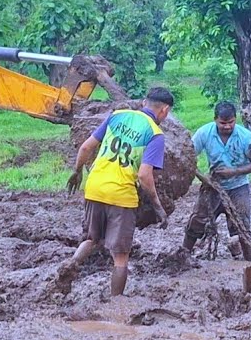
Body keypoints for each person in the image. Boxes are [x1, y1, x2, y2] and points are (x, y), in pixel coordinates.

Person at [56, 87, 175, 297]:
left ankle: (69, 266)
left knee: (92, 239)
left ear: (144, 103)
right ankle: (116, 302)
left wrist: (77, 172)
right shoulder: (155, 134)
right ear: (164, 110)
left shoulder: (117, 116)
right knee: (120, 256)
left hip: (94, 187)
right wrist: (158, 206)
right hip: (121, 196)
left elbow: (85, 148)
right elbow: (144, 176)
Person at [183, 101, 251, 260]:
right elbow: (187, 157)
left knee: (242, 224)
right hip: (213, 186)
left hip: (238, 186)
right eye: (222, 123)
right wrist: (203, 178)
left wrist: (235, 171)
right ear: (215, 120)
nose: (227, 126)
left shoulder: (245, 136)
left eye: (231, 122)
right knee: (198, 219)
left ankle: (248, 259)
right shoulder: (204, 133)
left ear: (235, 119)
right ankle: (184, 254)